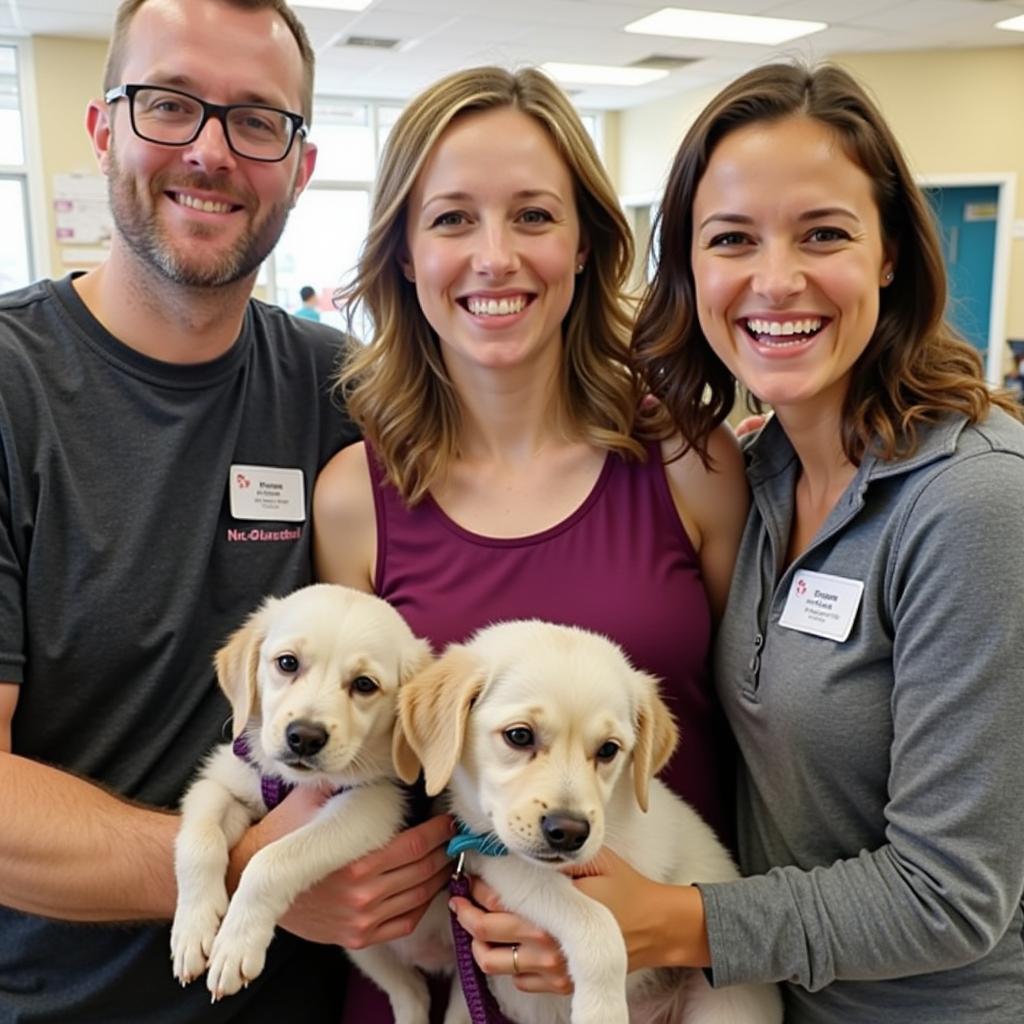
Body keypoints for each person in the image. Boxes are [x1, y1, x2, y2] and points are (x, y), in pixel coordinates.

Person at [0, 1, 452, 1020]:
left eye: (257, 121)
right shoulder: (12, 390)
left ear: (299, 164)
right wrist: (252, 871)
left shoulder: (349, 395)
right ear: (102, 125)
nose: (210, 151)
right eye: (168, 104)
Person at [552, 62, 1024, 1023]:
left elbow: (952, 895)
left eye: (823, 234)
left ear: (890, 252)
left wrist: (678, 922)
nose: (776, 280)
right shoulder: (756, 472)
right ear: (688, 269)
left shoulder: (973, 501)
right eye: (732, 239)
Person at [312, 65, 749, 1020]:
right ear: (403, 252)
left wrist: (676, 930)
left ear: (587, 245)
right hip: (459, 977)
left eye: (534, 216)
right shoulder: (355, 495)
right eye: (453, 218)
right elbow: (348, 763)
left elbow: (761, 727)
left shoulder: (689, 460)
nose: (495, 256)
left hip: (670, 977)